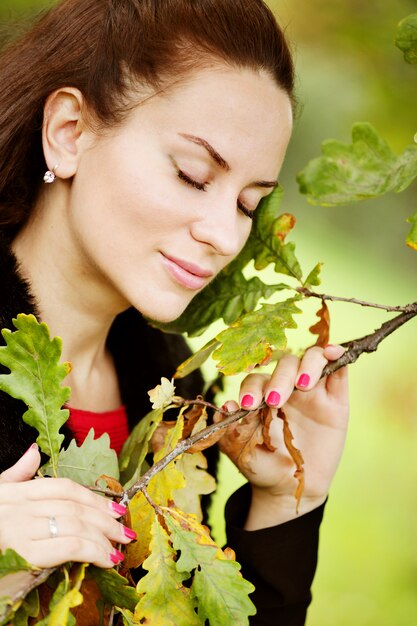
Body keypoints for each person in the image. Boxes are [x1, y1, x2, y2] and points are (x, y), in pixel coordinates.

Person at [0, 0, 349, 623]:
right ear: (70, 132)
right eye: (193, 175)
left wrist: (285, 506)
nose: (224, 233)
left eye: (247, 203)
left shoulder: (179, 409)